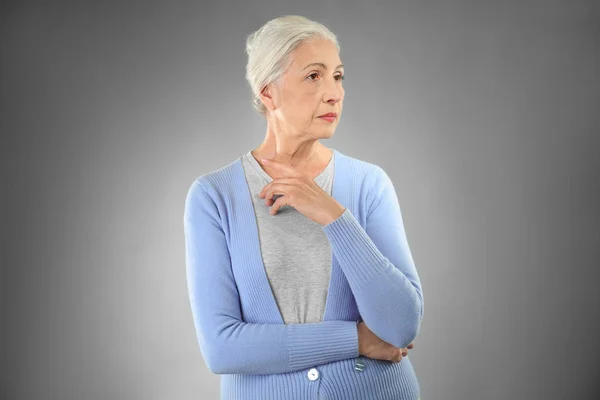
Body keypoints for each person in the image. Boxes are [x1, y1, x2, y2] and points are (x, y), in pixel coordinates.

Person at [184, 15, 424, 400]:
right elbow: (222, 346)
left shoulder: (367, 184)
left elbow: (401, 326)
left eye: (338, 76)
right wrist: (357, 339)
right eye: (314, 76)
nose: (334, 93)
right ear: (268, 93)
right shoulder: (215, 196)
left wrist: (333, 216)